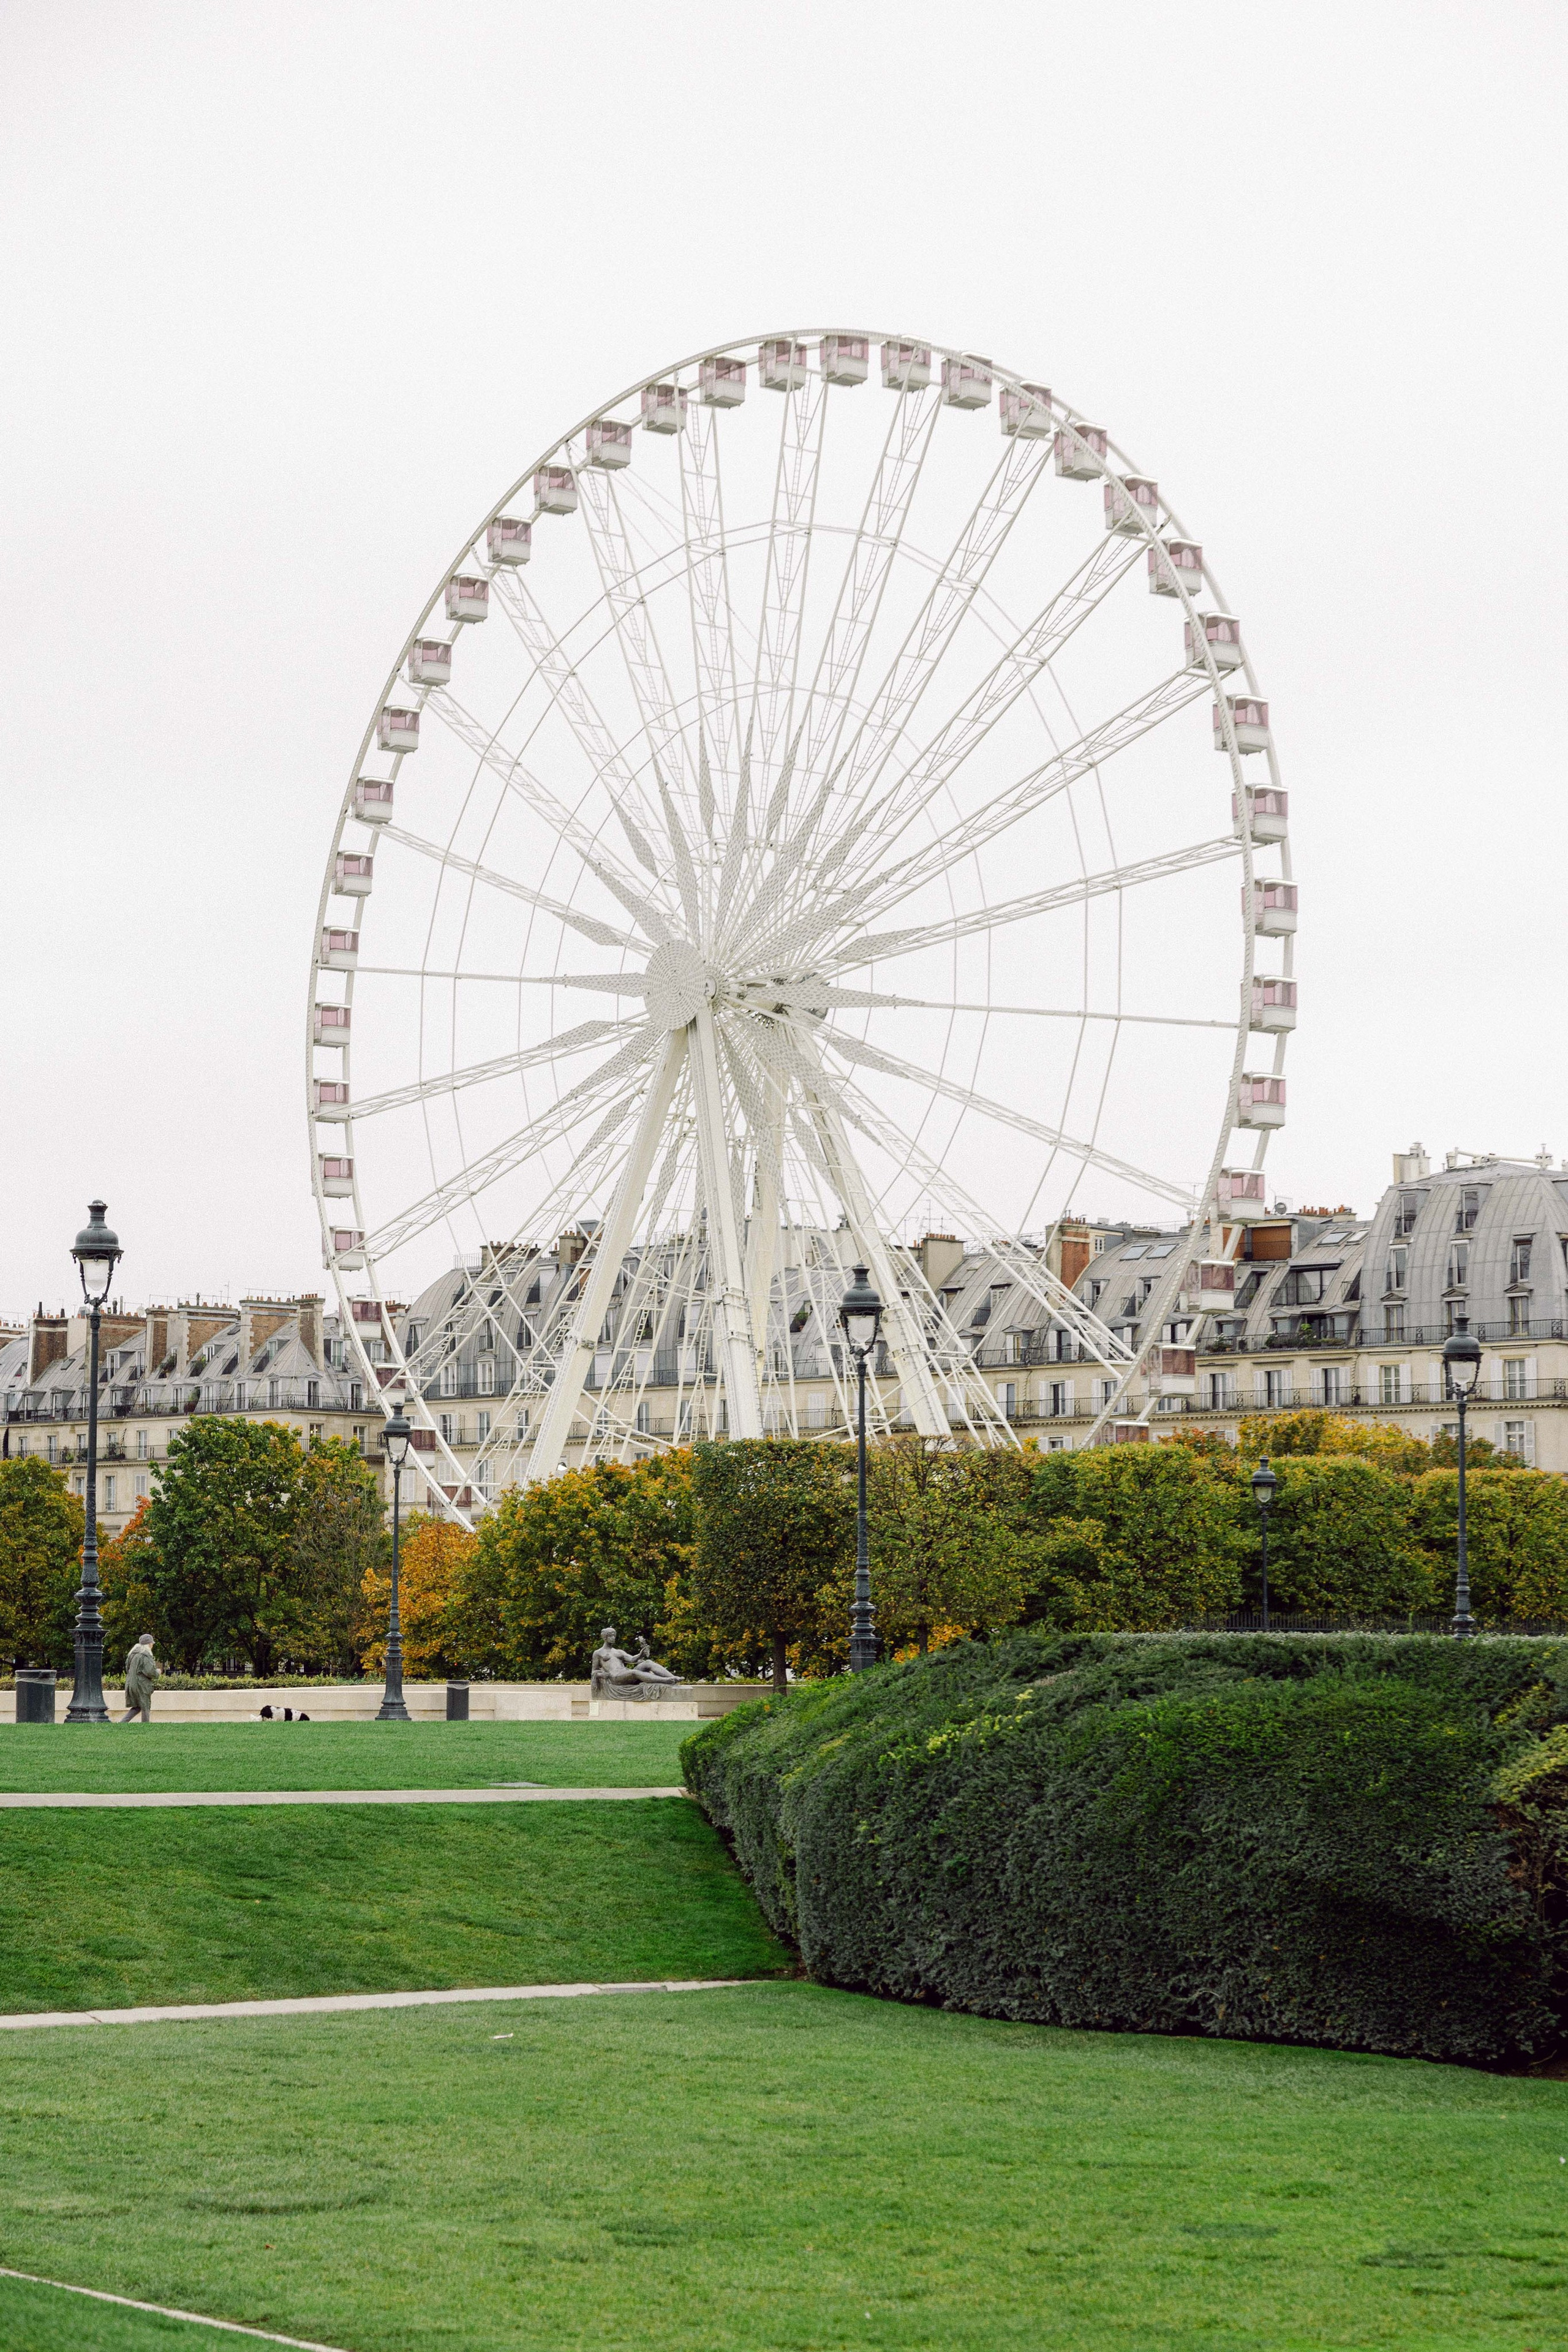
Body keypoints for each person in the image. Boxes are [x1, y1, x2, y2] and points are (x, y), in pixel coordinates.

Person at [121, 1633, 160, 1724]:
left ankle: (122, 1723)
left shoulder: (132, 1654)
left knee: (137, 1706)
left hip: (131, 1684)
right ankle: (145, 1726)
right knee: (145, 1706)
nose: (152, 1646)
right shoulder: (145, 1655)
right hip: (142, 1685)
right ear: (149, 1644)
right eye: (152, 1644)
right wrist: (157, 1672)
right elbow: (150, 1671)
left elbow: (127, 1668)